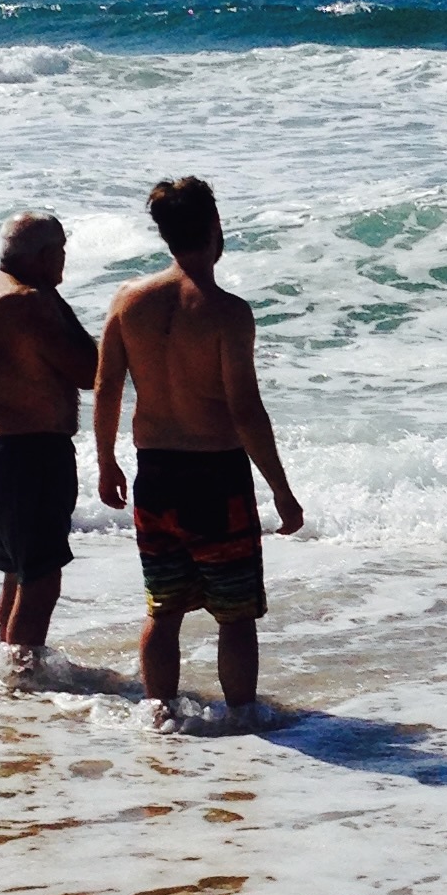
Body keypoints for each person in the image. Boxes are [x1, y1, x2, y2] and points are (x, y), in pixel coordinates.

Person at [95, 176, 303, 713]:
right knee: (234, 615)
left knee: (162, 608)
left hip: (155, 473)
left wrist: (104, 462)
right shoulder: (226, 312)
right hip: (216, 478)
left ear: (165, 234)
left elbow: (107, 386)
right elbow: (246, 410)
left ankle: (158, 714)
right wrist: (280, 489)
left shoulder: (127, 301)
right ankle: (242, 723)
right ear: (215, 228)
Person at [0, 211, 100, 659]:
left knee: (17, 572)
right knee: (41, 579)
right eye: (61, 251)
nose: (65, 260)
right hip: (32, 455)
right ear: (43, 255)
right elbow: (89, 370)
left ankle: (9, 668)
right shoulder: (30, 300)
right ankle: (22, 681)